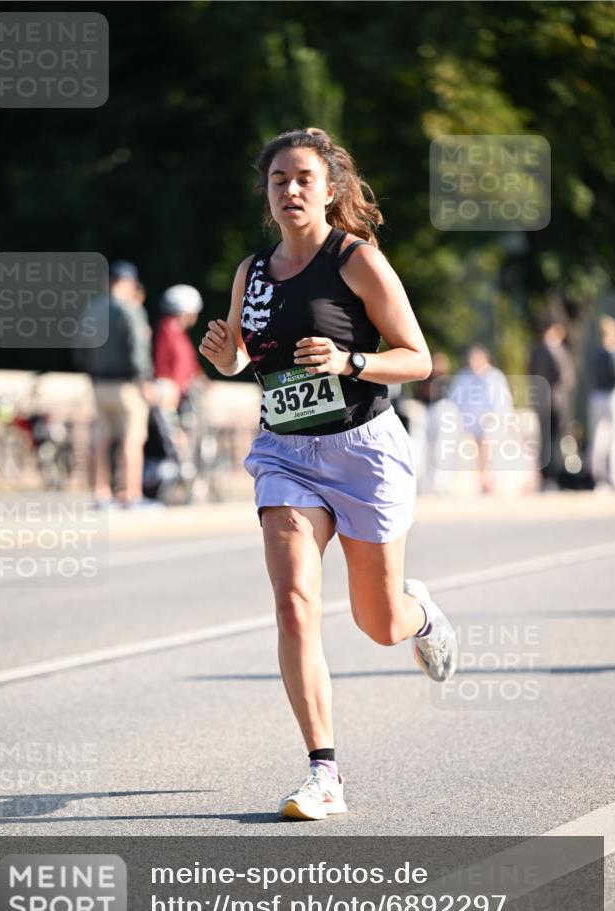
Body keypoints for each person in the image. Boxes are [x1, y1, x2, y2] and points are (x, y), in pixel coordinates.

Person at [198, 127, 458, 821]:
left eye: (303, 178)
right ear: (266, 191)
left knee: (378, 622)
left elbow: (417, 358)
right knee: (293, 603)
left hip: (362, 450)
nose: (289, 190)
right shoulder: (252, 271)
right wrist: (225, 356)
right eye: (278, 179)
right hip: (285, 451)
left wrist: (349, 363)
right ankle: (323, 775)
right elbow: (244, 360)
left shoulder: (356, 260)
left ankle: (420, 612)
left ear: (330, 189)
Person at [79, 260, 156, 507]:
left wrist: (92, 371)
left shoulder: (92, 309)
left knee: (101, 439)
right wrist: (144, 379)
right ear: (128, 283)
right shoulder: (130, 309)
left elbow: (80, 348)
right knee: (131, 438)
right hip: (126, 384)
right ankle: (130, 494)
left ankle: (100, 492)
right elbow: (137, 349)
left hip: (99, 383)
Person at [448, 344, 514, 493]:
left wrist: (497, 418)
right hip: (468, 422)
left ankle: (488, 480)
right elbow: (455, 400)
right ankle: (473, 480)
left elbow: (502, 401)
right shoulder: (463, 377)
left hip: (490, 422)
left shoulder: (495, 377)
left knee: (487, 446)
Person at [529, 318, 576, 489]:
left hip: (558, 401)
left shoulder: (560, 351)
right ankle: (547, 477)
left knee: (555, 439)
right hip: (546, 401)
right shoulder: (541, 352)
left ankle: (555, 475)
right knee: (546, 440)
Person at [153, 284, 206, 411]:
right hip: (171, 394)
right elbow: (179, 362)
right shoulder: (170, 331)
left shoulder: (171, 329)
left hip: (175, 392)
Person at [588, 315, 615, 492]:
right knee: (610, 439)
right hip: (611, 396)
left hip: (598, 396)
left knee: (601, 438)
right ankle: (611, 478)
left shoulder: (596, 353)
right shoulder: (611, 353)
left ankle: (603, 478)